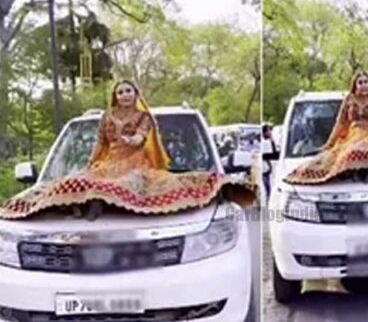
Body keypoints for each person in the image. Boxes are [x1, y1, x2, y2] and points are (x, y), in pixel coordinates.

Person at [0, 80, 254, 220]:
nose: (124, 94)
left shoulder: (144, 117)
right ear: (115, 95)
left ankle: (97, 204)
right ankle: (79, 205)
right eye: (120, 91)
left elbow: (142, 138)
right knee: (78, 180)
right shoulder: (106, 117)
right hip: (108, 163)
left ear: (135, 94)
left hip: (135, 163)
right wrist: (91, 163)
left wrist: (133, 140)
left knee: (132, 183)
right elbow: (100, 142)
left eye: (128, 91)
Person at [261, 124, 279, 201]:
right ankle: (269, 200)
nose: (270, 132)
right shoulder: (265, 143)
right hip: (264, 168)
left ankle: (268, 199)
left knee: (267, 186)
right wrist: (272, 140)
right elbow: (273, 155)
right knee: (267, 187)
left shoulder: (266, 142)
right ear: (264, 133)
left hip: (266, 168)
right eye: (268, 130)